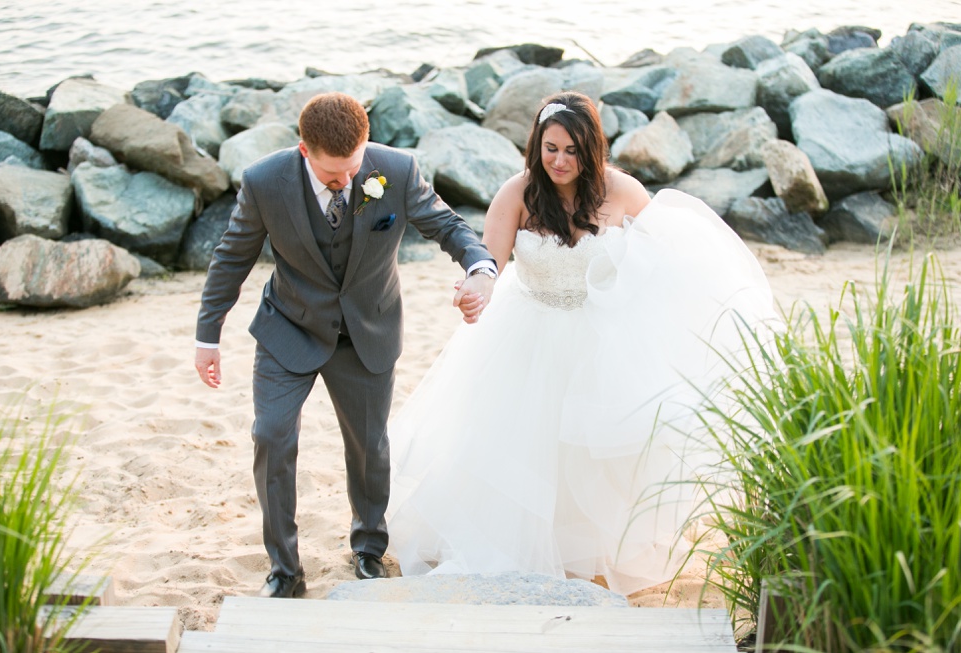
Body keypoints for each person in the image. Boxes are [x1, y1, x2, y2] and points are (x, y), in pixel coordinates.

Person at [386, 91, 778, 595]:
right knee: (526, 446)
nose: (559, 161)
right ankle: (533, 547)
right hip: (530, 331)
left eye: (572, 151)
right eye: (550, 148)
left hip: (601, 335)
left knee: (596, 454)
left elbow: (665, 260)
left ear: (592, 150)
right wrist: (474, 286)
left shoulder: (624, 192)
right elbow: (489, 261)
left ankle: (590, 554)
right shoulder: (518, 193)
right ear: (536, 145)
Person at [194, 92, 497, 598]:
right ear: (303, 150)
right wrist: (208, 335)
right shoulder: (264, 182)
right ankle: (284, 570)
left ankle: (368, 548)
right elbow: (232, 258)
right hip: (288, 327)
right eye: (333, 175)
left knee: (368, 447)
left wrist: (480, 267)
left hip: (367, 331)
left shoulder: (394, 171)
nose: (346, 182)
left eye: (353, 169)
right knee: (271, 436)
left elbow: (446, 225)